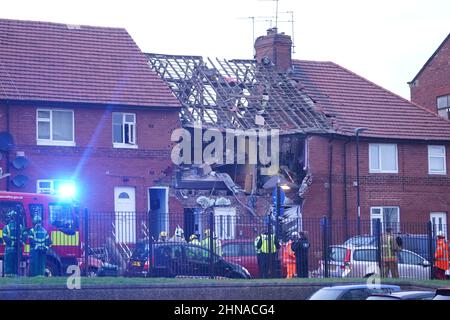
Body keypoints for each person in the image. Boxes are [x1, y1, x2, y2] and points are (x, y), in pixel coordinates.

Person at [2, 210, 25, 276]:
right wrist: (21, 243)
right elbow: (24, 235)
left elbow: (5, 237)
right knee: (16, 264)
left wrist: (12, 243)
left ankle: (8, 277)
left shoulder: (6, 227)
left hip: (9, 249)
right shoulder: (20, 227)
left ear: (10, 217)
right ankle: (16, 276)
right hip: (18, 249)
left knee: (9, 264)